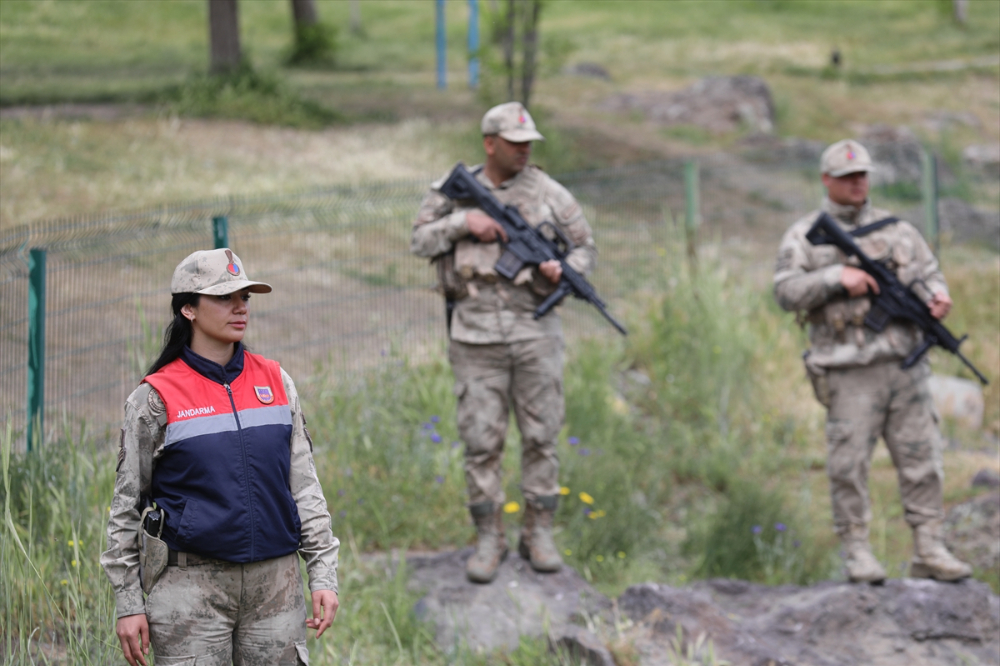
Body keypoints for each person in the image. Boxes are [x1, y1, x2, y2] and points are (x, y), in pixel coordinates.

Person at [101, 248, 340, 665]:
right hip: (189, 591)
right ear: (188, 309)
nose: (240, 307)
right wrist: (129, 603)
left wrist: (323, 573)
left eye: (245, 297)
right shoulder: (155, 398)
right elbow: (125, 507)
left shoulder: (277, 381)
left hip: (276, 586)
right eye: (224, 297)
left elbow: (305, 487)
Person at [410, 102, 597, 583]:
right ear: (489, 143)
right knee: (481, 441)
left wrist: (565, 272)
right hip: (474, 336)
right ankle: (488, 538)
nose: (524, 150)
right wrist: (462, 224)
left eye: (528, 143)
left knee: (542, 435)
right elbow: (420, 242)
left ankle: (538, 533)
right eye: (515, 143)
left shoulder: (549, 192)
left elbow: (584, 247)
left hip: (535, 334)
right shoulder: (451, 193)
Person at [773, 139, 972, 584]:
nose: (857, 183)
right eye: (847, 177)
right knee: (849, 465)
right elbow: (785, 291)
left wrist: (938, 297)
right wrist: (834, 278)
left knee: (923, 457)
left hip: (904, 365)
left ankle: (929, 546)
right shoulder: (805, 234)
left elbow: (928, 273)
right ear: (827, 180)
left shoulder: (898, 230)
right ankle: (857, 551)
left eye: (863, 175)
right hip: (848, 369)